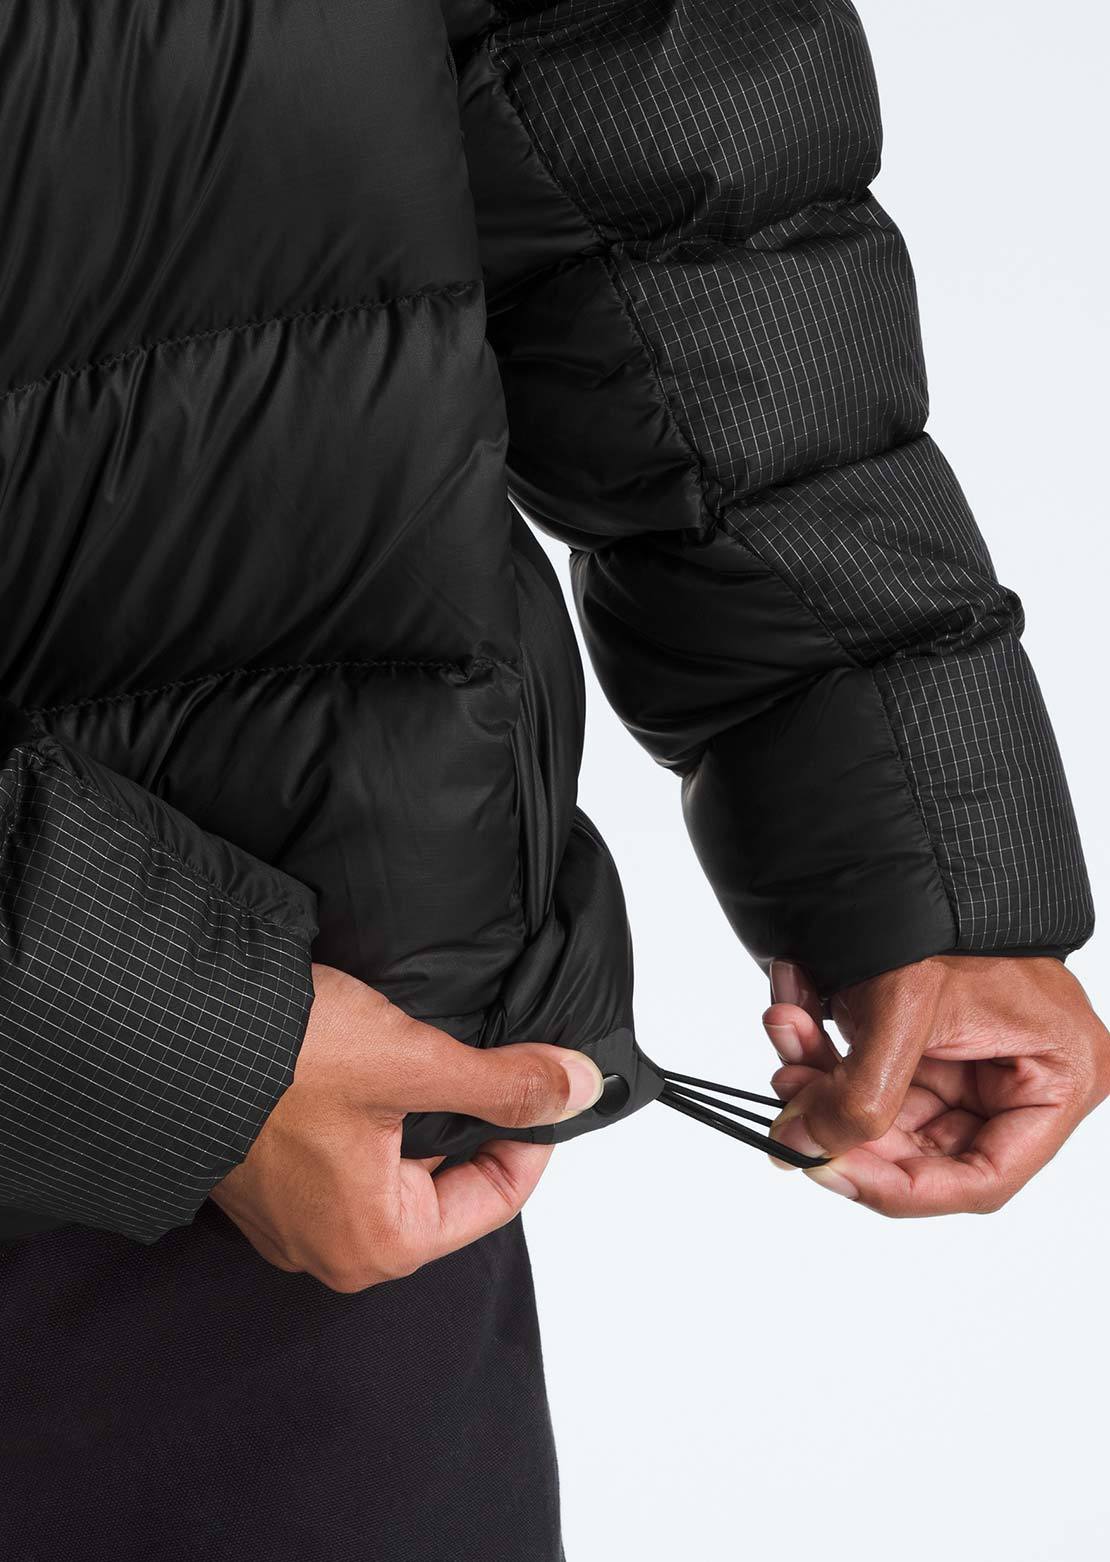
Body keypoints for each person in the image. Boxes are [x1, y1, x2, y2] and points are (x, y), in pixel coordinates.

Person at [0, 1, 1105, 1557]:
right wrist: (133, 1028)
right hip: (243, 1082)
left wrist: (899, 812)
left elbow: (629, 88)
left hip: (308, 1150)